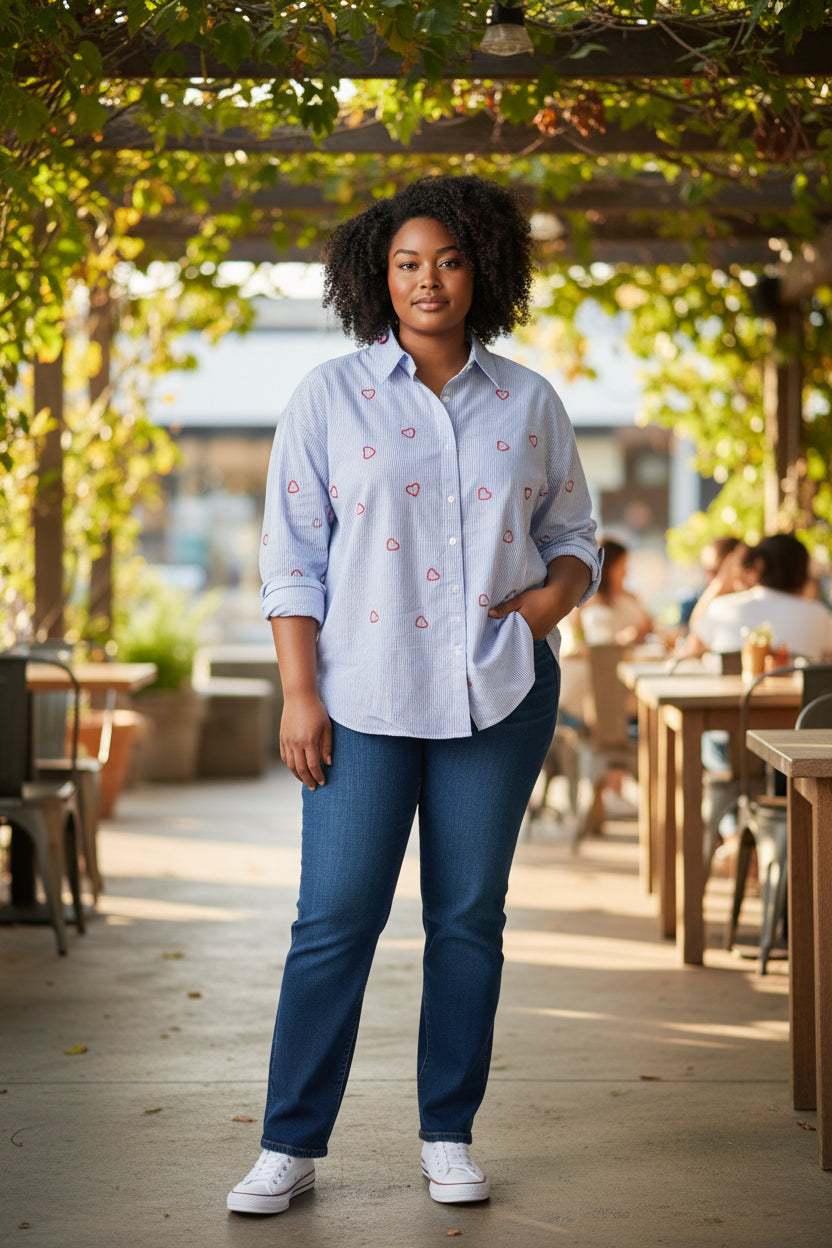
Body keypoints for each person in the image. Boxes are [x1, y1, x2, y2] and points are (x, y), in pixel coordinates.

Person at [227, 175, 602, 1216]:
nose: (426, 279)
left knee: (468, 920)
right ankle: (289, 1143)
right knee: (334, 920)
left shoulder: (528, 399)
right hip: (360, 696)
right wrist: (299, 695)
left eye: (445, 259)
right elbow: (291, 559)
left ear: (482, 266)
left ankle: (448, 1133)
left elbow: (575, 537)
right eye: (405, 262)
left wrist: (541, 610)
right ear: (374, 277)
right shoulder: (327, 398)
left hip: (498, 696)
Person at [688, 533, 832, 662]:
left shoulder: (722, 607)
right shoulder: (818, 614)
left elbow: (691, 651)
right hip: (799, 693)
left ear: (758, 564)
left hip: (731, 691)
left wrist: (721, 581)